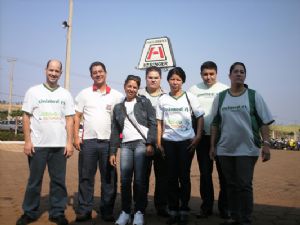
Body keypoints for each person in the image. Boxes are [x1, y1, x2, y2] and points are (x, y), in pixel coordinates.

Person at [210, 62, 274, 225]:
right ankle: (234, 216)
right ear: (229, 75)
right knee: (230, 184)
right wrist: (212, 146)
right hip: (225, 149)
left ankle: (245, 218)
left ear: (245, 76)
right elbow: (215, 123)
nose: (239, 74)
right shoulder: (221, 97)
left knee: (244, 184)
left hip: (248, 148)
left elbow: (264, 122)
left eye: (242, 72)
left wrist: (266, 144)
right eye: (236, 71)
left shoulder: (253, 96)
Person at [16, 59, 75, 225]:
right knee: (34, 181)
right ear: (45, 70)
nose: (53, 74)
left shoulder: (65, 94)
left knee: (58, 181)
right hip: (38, 146)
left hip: (59, 147)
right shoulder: (33, 92)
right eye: (51, 70)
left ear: (61, 73)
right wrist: (27, 141)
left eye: (57, 71)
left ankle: (57, 212)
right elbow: (26, 117)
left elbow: (70, 120)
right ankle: (30, 212)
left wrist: (69, 143)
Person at [73, 61, 123, 222]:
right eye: (94, 72)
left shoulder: (116, 95)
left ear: (106, 73)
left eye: (100, 71)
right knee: (86, 177)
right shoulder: (84, 94)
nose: (98, 74)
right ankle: (85, 209)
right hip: (88, 143)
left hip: (109, 144)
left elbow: (121, 119)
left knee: (109, 178)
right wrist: (75, 137)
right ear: (91, 75)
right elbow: (76, 116)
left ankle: (107, 210)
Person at [156, 67, 205, 225]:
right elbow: (159, 123)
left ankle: (184, 209)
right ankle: (173, 210)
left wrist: (197, 137)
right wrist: (159, 142)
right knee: (170, 177)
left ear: (183, 81)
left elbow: (200, 117)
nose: (175, 82)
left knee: (184, 176)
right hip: (169, 142)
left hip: (186, 143)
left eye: (178, 79)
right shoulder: (163, 99)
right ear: (168, 80)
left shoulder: (190, 97)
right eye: (172, 79)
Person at [109, 75, 157, 225]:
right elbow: (115, 131)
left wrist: (150, 143)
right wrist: (112, 152)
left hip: (141, 144)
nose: (132, 89)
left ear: (138, 89)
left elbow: (153, 123)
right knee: (124, 180)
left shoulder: (144, 102)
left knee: (140, 181)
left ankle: (139, 212)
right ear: (124, 86)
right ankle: (125, 212)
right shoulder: (118, 107)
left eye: (135, 87)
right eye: (129, 86)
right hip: (125, 146)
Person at [188, 61, 229, 219]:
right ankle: (206, 207)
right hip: (202, 138)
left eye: (211, 74)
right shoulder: (193, 89)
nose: (208, 77)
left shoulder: (225, 89)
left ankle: (225, 208)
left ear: (217, 74)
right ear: (201, 75)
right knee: (205, 174)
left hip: (221, 138)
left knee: (223, 174)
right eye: (205, 74)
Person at [138, 66, 168, 217]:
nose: (153, 80)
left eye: (156, 77)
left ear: (160, 79)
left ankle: (161, 206)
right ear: (146, 78)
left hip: (161, 142)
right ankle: (140, 207)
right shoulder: (138, 95)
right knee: (142, 176)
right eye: (150, 77)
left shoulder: (166, 96)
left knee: (162, 177)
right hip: (143, 142)